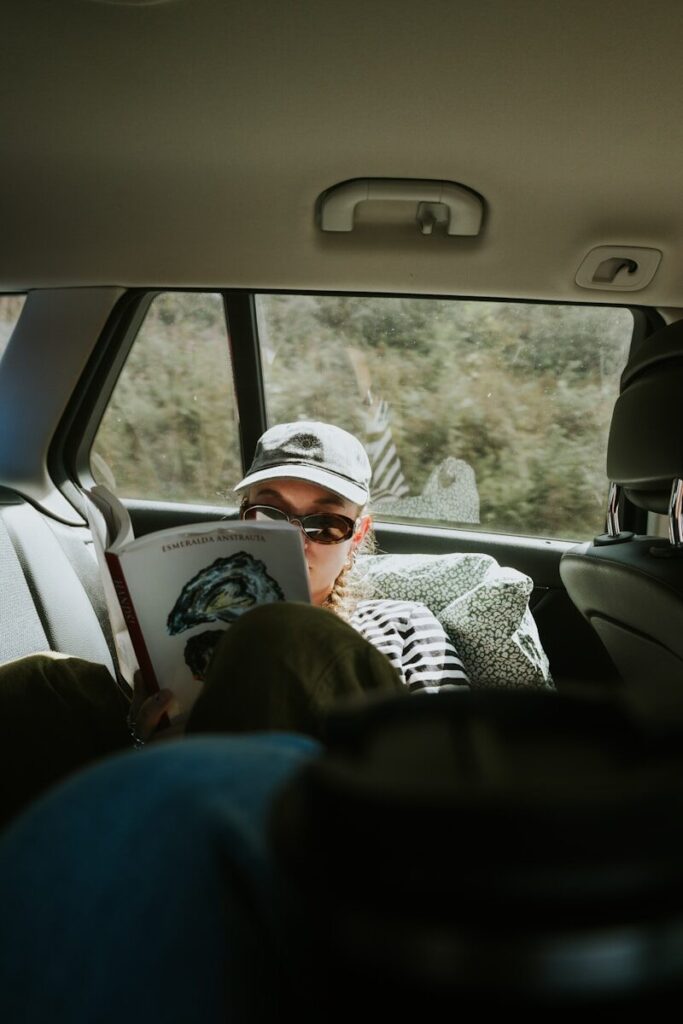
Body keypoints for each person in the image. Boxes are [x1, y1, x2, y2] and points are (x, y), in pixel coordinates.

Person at [0, 420, 469, 828]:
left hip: (338, 820)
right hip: (184, 802)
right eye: (269, 515)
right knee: (46, 680)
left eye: (325, 524)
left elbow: (453, 764)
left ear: (357, 536)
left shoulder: (403, 624)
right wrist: (144, 739)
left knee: (283, 633)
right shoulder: (188, 628)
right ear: (244, 517)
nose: (294, 541)